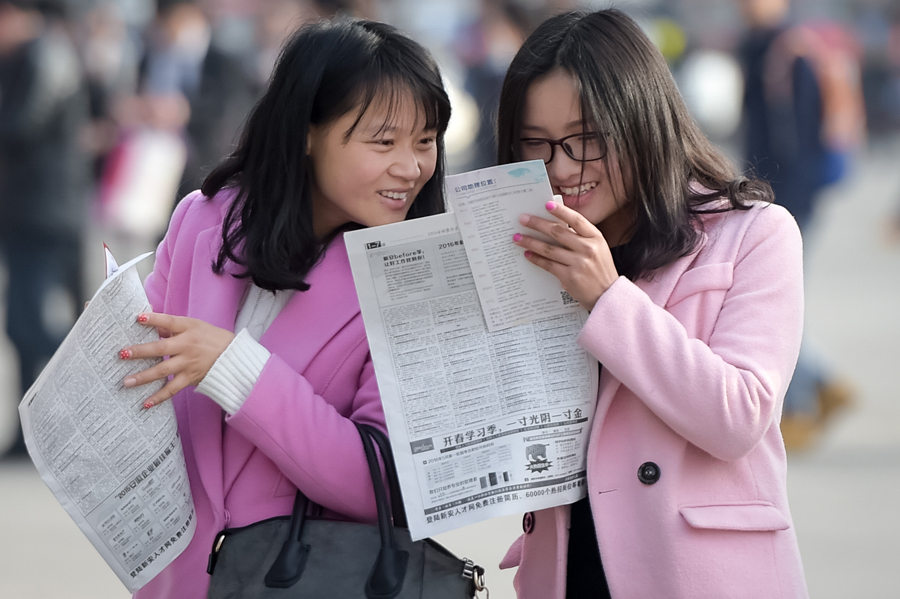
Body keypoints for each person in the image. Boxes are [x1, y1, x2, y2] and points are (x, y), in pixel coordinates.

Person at [114, 18, 450, 598]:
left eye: (425, 140)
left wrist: (236, 370)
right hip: (177, 581)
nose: (411, 166)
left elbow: (385, 482)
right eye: (384, 141)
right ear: (307, 132)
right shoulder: (202, 221)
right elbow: (144, 394)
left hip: (307, 578)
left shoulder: (415, 271)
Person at [497, 9, 808, 598]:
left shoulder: (754, 233)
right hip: (572, 572)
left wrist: (607, 297)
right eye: (536, 144)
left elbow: (738, 415)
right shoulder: (531, 250)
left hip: (701, 576)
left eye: (585, 140)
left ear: (642, 121)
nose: (561, 168)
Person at [737, 0, 857, 449]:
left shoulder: (792, 51)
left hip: (788, 199)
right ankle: (823, 384)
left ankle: (809, 396)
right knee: (784, 299)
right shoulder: (758, 46)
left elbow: (798, 137)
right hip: (770, 194)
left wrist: (785, 203)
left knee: (780, 303)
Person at [0, 0, 91, 459]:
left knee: (29, 323)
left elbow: (21, 125)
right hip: (29, 212)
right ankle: (29, 434)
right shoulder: (29, 56)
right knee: (20, 327)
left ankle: (92, 389)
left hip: (45, 212)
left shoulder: (44, 55)